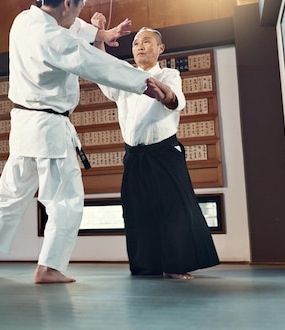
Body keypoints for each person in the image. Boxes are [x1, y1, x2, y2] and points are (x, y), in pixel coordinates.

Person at [0, 0, 159, 284]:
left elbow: (70, 25)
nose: (79, 14)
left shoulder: (23, 21)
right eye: (79, 6)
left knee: (11, 194)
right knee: (64, 200)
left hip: (22, 126)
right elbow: (95, 63)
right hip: (49, 129)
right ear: (68, 3)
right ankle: (49, 267)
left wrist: (102, 35)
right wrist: (144, 82)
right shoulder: (55, 39)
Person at [91, 20, 220, 279]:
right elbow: (101, 68)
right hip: (135, 155)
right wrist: (98, 37)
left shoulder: (169, 75)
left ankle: (176, 265)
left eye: (146, 41)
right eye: (136, 43)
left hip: (164, 153)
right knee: (137, 211)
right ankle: (147, 266)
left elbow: (174, 99)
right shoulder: (124, 78)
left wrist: (164, 96)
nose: (139, 46)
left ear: (160, 48)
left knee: (174, 210)